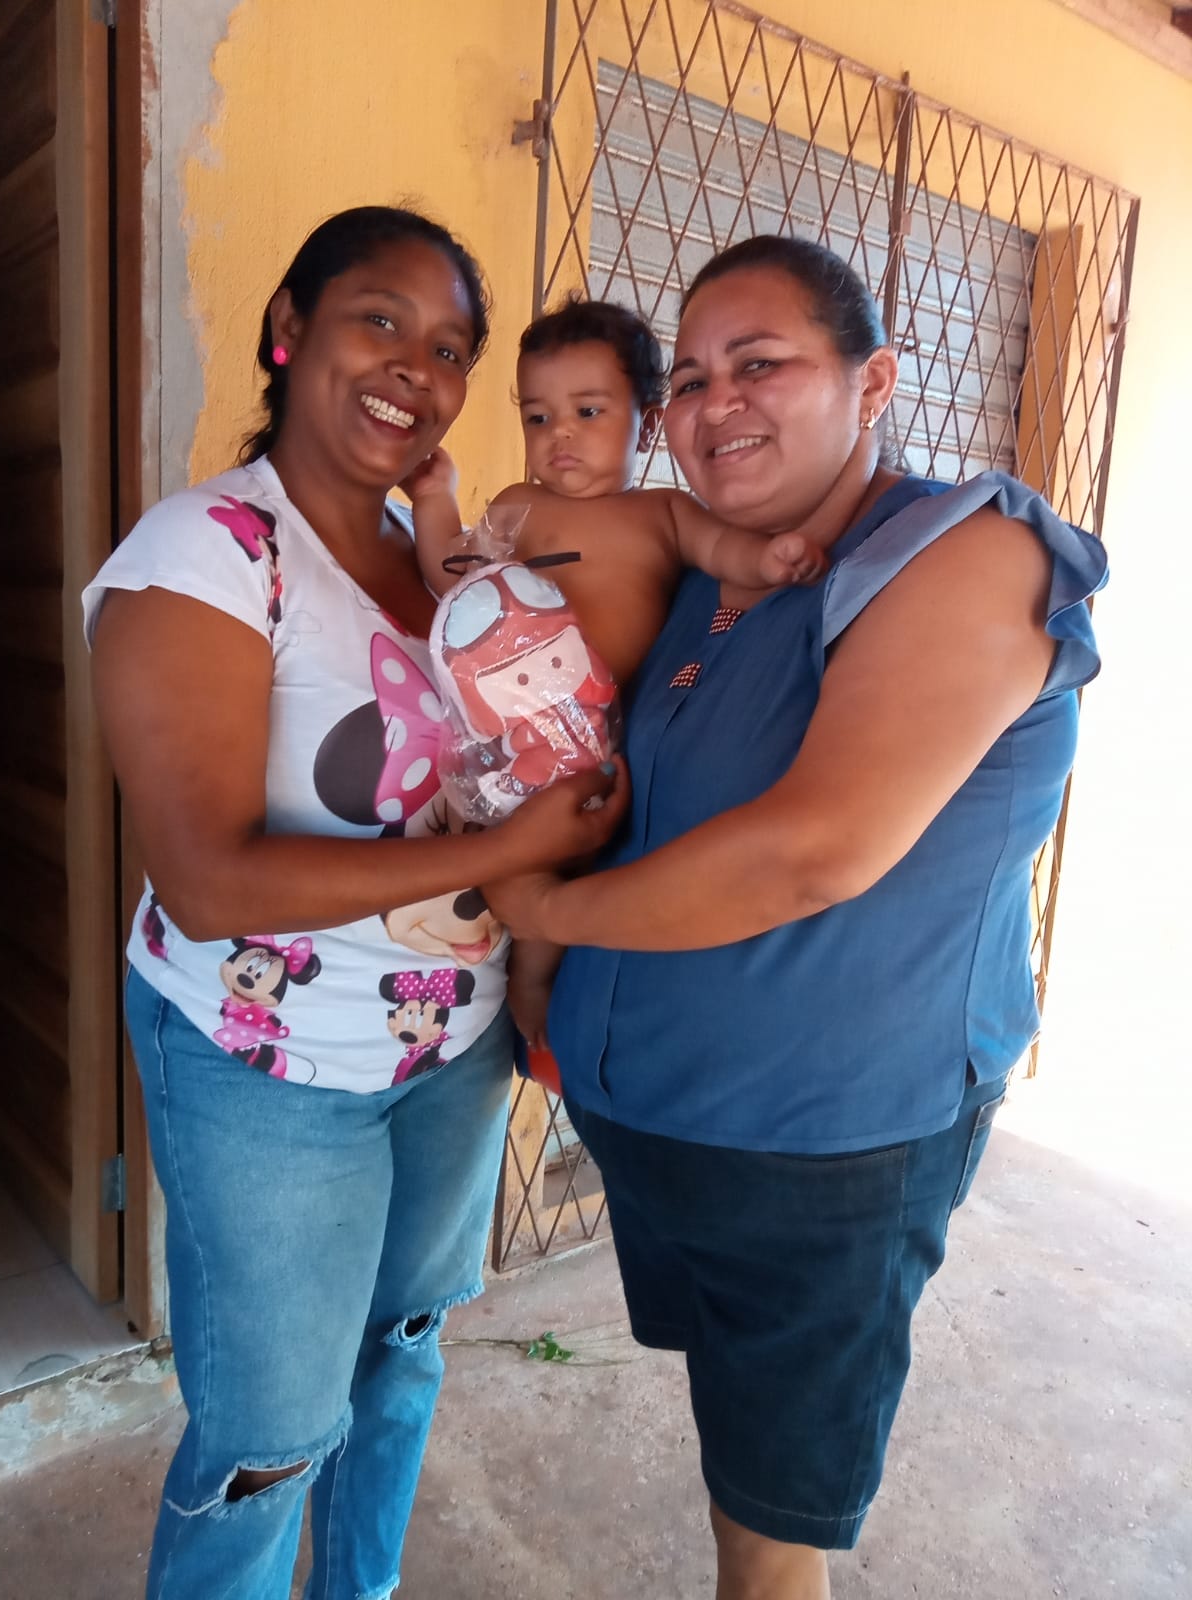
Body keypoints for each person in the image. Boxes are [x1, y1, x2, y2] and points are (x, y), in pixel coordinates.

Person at [482, 235, 1107, 1600]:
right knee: (737, 1451)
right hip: (658, 1118)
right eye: (691, 379)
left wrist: (548, 907)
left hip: (821, 1151)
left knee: (774, 1535)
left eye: (760, 364)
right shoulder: (717, 566)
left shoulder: (966, 553)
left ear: (873, 381)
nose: (716, 405)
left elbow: (813, 854)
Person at [83, 206, 627, 1600]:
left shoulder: (433, 554)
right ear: (290, 326)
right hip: (268, 1070)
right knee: (270, 1439)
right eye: (379, 319)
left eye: (448, 349)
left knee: (402, 1352)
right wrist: (506, 853)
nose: (415, 369)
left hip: (455, 1048)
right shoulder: (207, 555)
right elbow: (207, 881)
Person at [408, 297, 827, 1050]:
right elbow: (454, 580)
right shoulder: (520, 506)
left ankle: (542, 988)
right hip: (519, 742)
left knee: (580, 874)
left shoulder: (663, 514)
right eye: (538, 418)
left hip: (609, 745)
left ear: (649, 423)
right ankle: (497, 986)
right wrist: (435, 497)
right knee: (499, 869)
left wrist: (770, 559)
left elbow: (724, 551)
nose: (560, 435)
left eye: (589, 412)